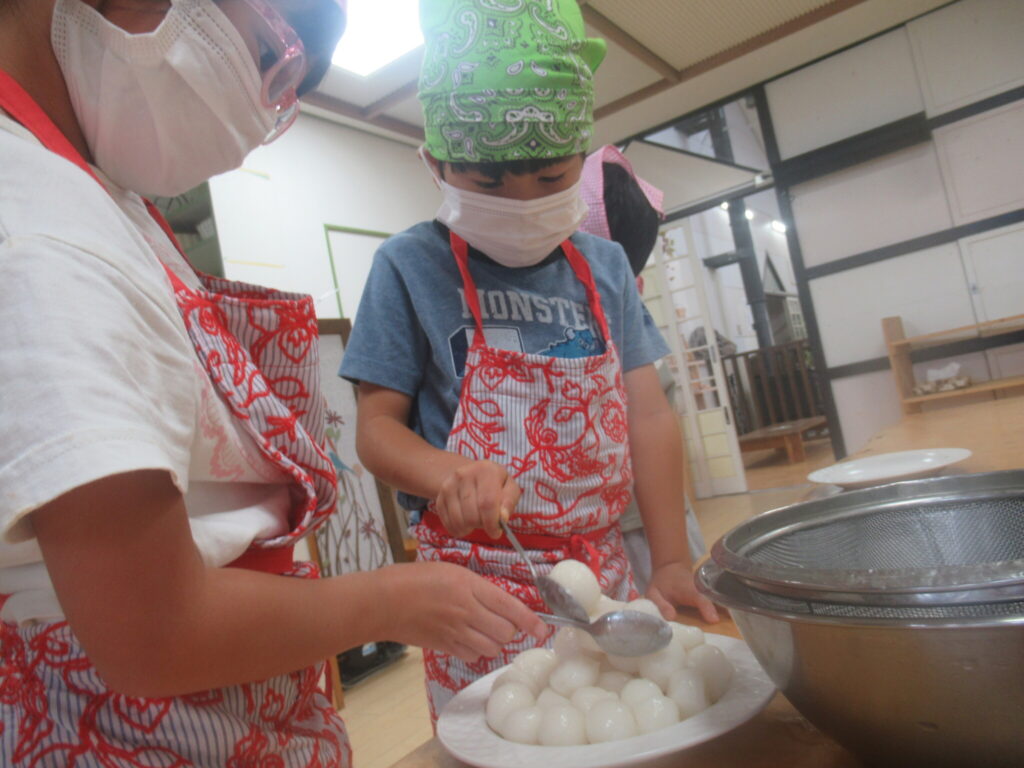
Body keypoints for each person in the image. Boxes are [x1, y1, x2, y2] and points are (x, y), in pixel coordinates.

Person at [0, 1, 543, 765]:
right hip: (132, 729)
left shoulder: (103, 198)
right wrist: (389, 598)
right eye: (265, 58)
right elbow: (150, 628)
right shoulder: (40, 230)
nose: (250, 122)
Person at [341, 0, 719, 722]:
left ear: (582, 158)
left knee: (614, 725)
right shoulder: (409, 268)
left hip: (601, 578)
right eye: (488, 184)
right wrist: (447, 474)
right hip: (473, 595)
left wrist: (670, 560)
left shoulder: (604, 266)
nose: (520, 202)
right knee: (506, 735)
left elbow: (648, 416)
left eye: (548, 180)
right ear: (435, 164)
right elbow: (376, 429)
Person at [578, 145, 708, 592]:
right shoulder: (628, 299)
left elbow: (647, 420)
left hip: (635, 532)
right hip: (660, 523)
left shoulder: (605, 314)